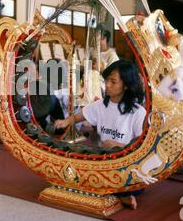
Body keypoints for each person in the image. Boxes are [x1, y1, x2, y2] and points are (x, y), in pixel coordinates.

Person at [54, 59, 146, 209]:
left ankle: (119, 194)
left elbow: (142, 147)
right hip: (103, 161)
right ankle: (118, 196)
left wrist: (121, 146)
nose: (107, 85)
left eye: (113, 81)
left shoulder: (138, 112)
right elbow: (78, 117)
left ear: (126, 85)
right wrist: (65, 122)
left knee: (132, 181)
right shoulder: (101, 105)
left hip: (125, 164)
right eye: (106, 80)